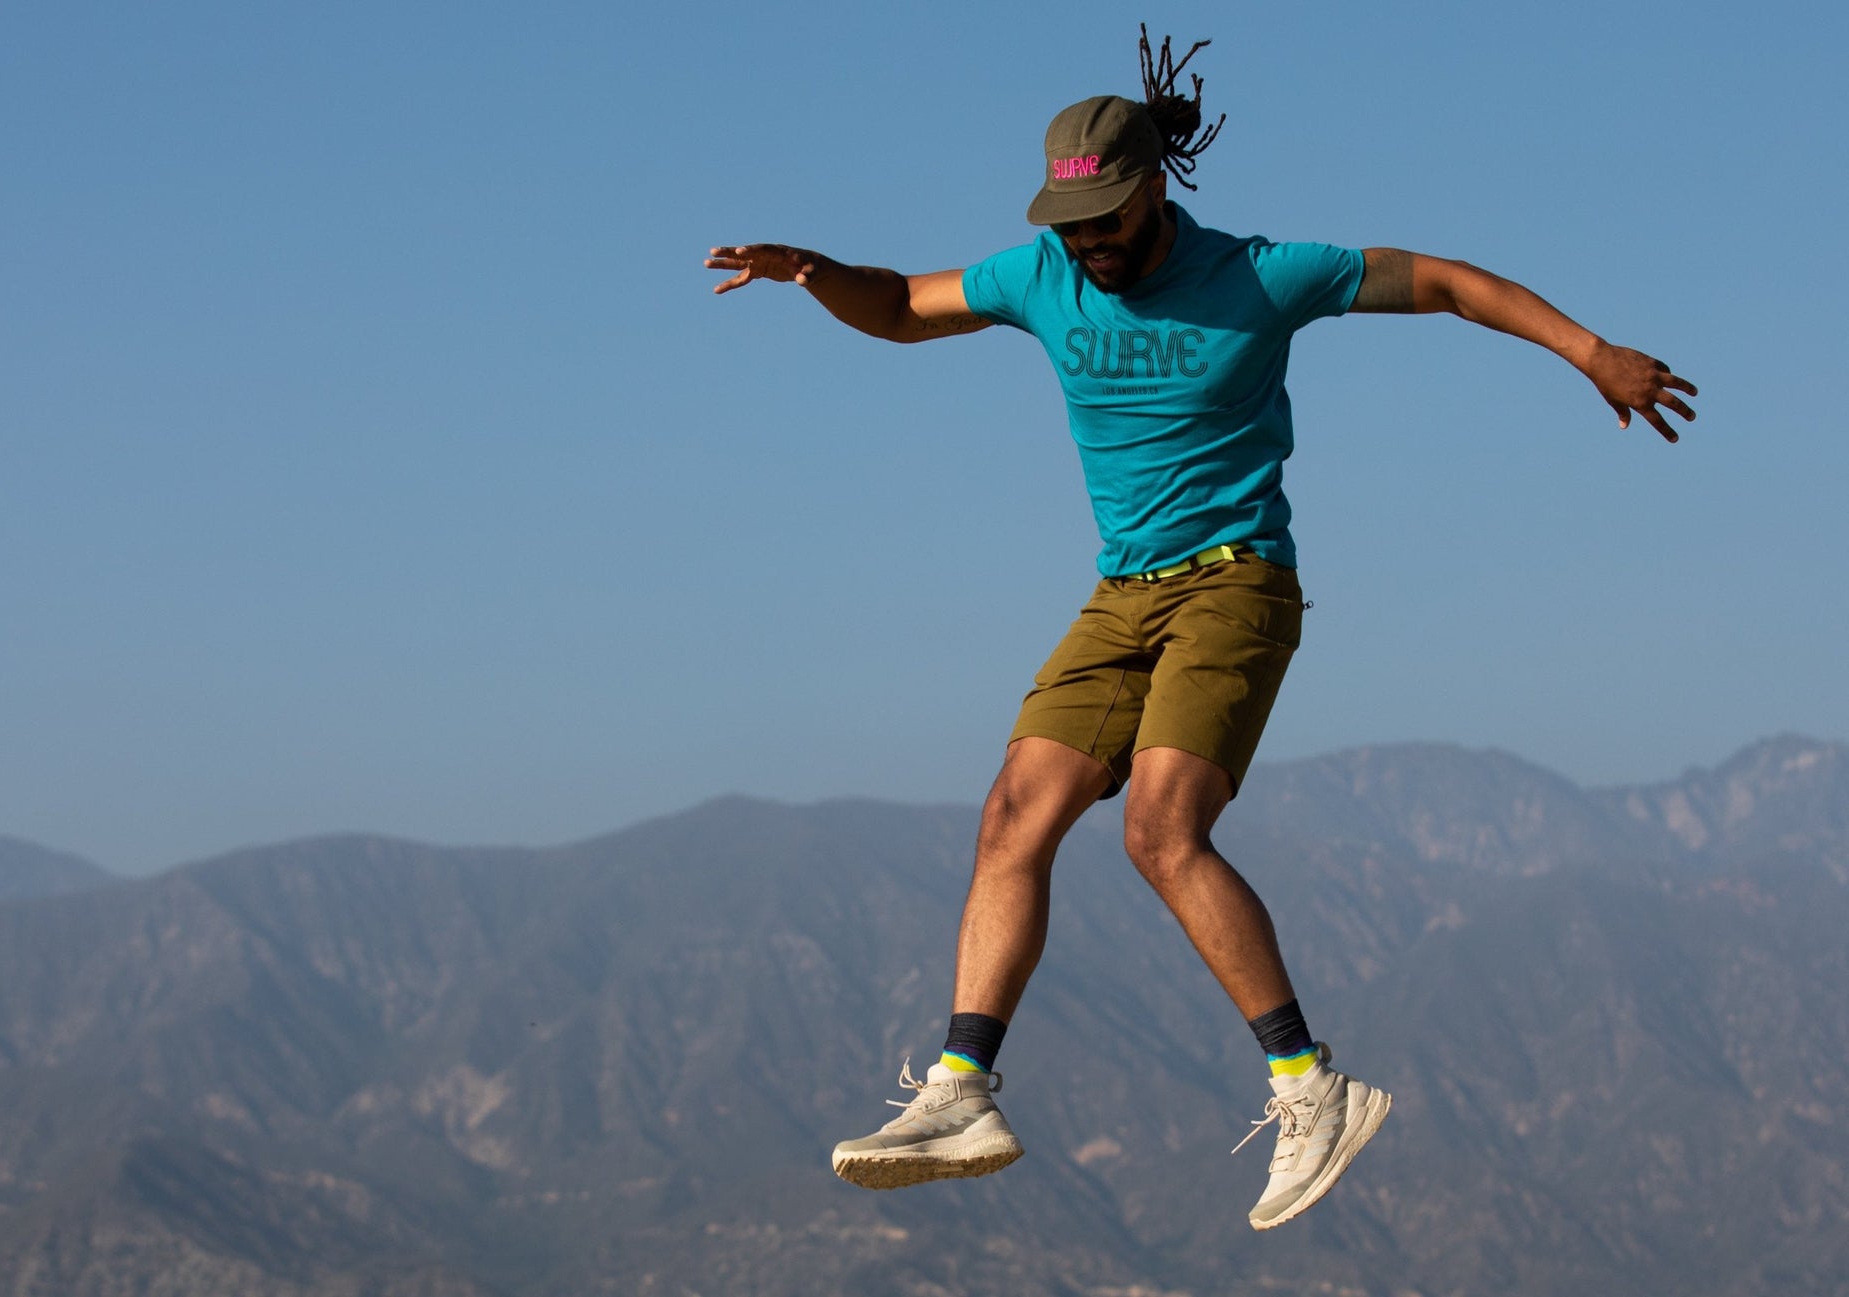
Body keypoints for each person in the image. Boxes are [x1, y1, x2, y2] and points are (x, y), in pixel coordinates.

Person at [705, 28, 1696, 1231]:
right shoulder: (1039, 276)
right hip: (1119, 592)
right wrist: (813, 268)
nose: (1089, 250)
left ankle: (1309, 1088)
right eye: (1071, 231)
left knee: (1158, 829)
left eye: (1105, 226)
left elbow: (1440, 281)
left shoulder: (1261, 273)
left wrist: (1588, 352)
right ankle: (961, 1091)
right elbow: (907, 308)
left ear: (1152, 191)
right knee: (1011, 813)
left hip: (1235, 583)